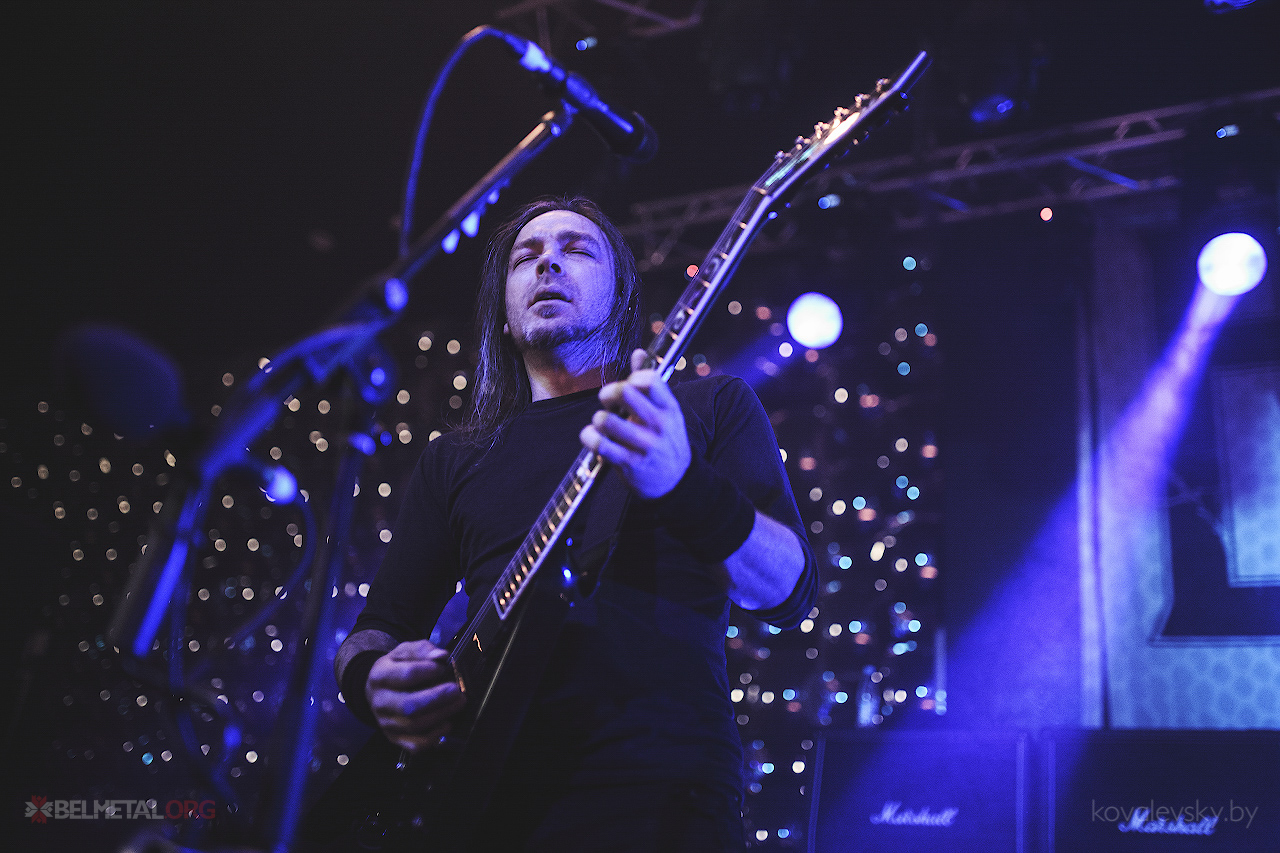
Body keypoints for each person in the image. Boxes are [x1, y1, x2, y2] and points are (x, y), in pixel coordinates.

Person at [333, 196, 817, 851]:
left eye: (576, 249)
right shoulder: (455, 458)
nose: (548, 264)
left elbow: (788, 591)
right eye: (525, 258)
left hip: (662, 801)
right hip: (478, 806)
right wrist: (369, 680)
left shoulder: (704, 408)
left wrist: (682, 483)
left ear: (620, 296)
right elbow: (376, 628)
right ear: (505, 315)